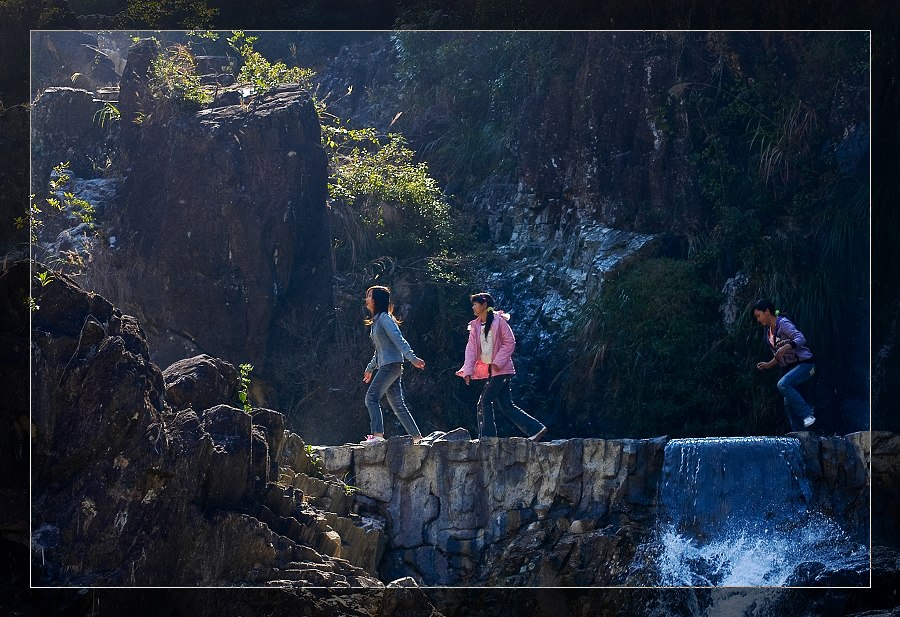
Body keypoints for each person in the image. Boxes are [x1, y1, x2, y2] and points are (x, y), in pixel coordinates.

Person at [456, 292, 547, 441]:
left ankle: (488, 437)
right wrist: (468, 370)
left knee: (484, 401)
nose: (473, 307)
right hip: (492, 372)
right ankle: (536, 429)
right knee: (506, 406)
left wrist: (498, 362)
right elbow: (471, 349)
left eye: (475, 304)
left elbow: (509, 342)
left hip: (502, 370)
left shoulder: (499, 321)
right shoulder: (476, 326)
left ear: (484, 305)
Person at [361, 285, 425, 445]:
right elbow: (380, 350)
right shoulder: (377, 321)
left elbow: (398, 340)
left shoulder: (384, 318)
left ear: (376, 300)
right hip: (389, 365)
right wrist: (370, 368)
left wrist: (413, 358)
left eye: (369, 296)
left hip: (391, 365)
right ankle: (418, 438)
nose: (366, 299)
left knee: (371, 398)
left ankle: (377, 436)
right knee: (398, 405)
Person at [753, 298, 816, 431]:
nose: (758, 320)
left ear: (767, 311)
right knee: (788, 402)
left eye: (759, 316)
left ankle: (807, 413)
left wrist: (786, 346)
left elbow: (801, 338)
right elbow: (778, 356)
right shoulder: (769, 334)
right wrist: (768, 365)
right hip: (792, 369)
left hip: (806, 365)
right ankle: (799, 434)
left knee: (782, 384)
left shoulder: (783, 323)